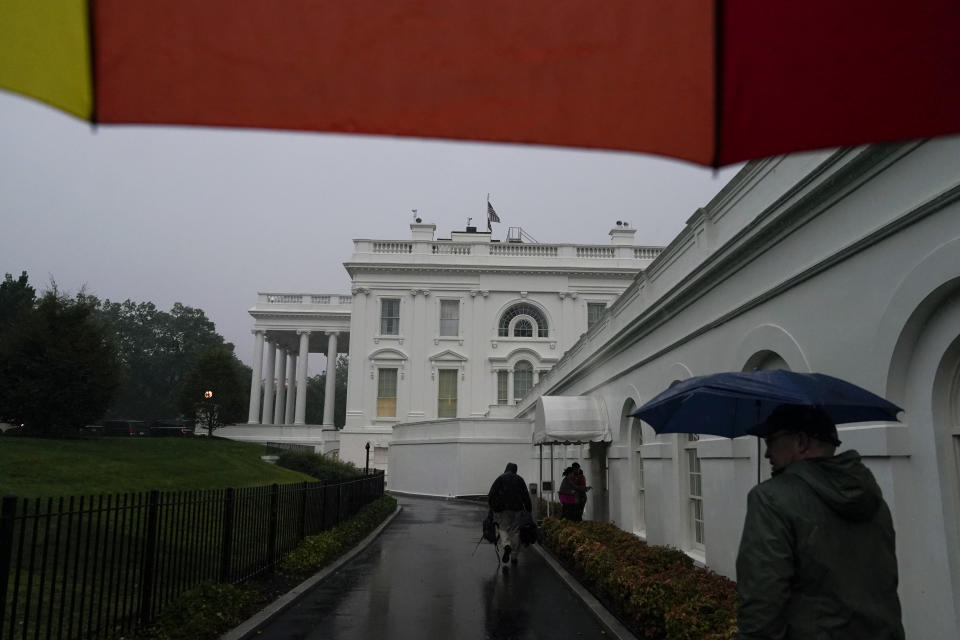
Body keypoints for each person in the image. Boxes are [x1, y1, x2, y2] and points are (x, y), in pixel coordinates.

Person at [736, 405, 904, 640]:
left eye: (771, 441)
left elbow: (763, 598)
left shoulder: (771, 498)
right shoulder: (871, 495)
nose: (766, 454)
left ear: (801, 442)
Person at [487, 462, 532, 567]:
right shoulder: (520, 479)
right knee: (515, 531)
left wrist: (492, 506)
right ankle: (514, 557)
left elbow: (492, 493)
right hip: (518, 509)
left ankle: (506, 545)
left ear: (506, 468)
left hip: (504, 509)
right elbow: (525, 495)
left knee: (503, 528)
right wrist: (529, 509)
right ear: (515, 470)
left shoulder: (501, 478)